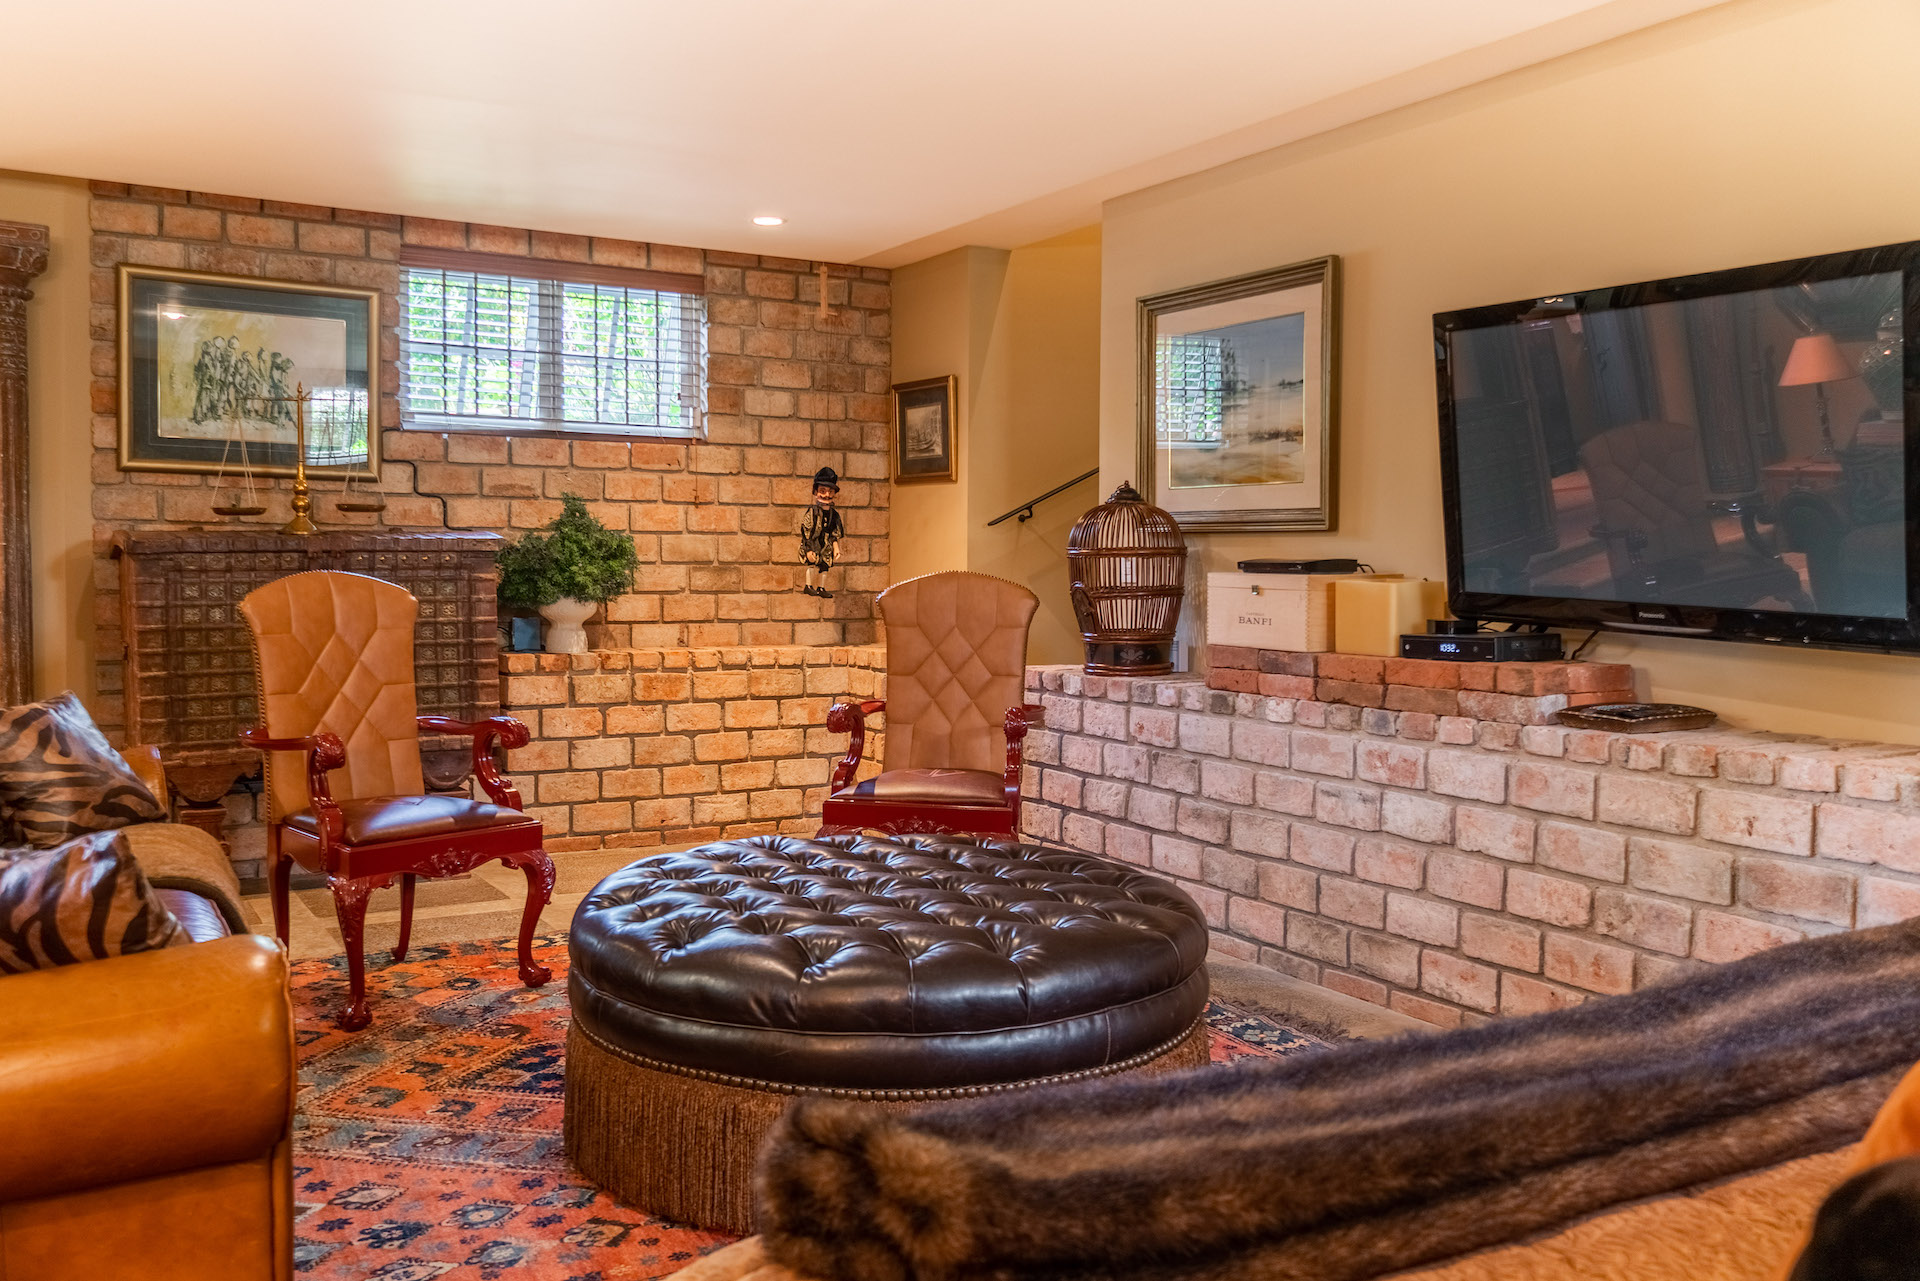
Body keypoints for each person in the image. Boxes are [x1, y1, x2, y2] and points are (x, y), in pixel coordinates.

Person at [797, 466, 844, 599]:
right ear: (816, 491)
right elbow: (806, 531)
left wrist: (836, 547)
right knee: (812, 563)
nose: (826, 495)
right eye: (822, 491)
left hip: (826, 545)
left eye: (830, 492)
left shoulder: (834, 515)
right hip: (813, 543)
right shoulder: (812, 512)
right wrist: (808, 549)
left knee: (825, 565)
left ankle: (821, 587)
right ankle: (808, 586)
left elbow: (834, 532)